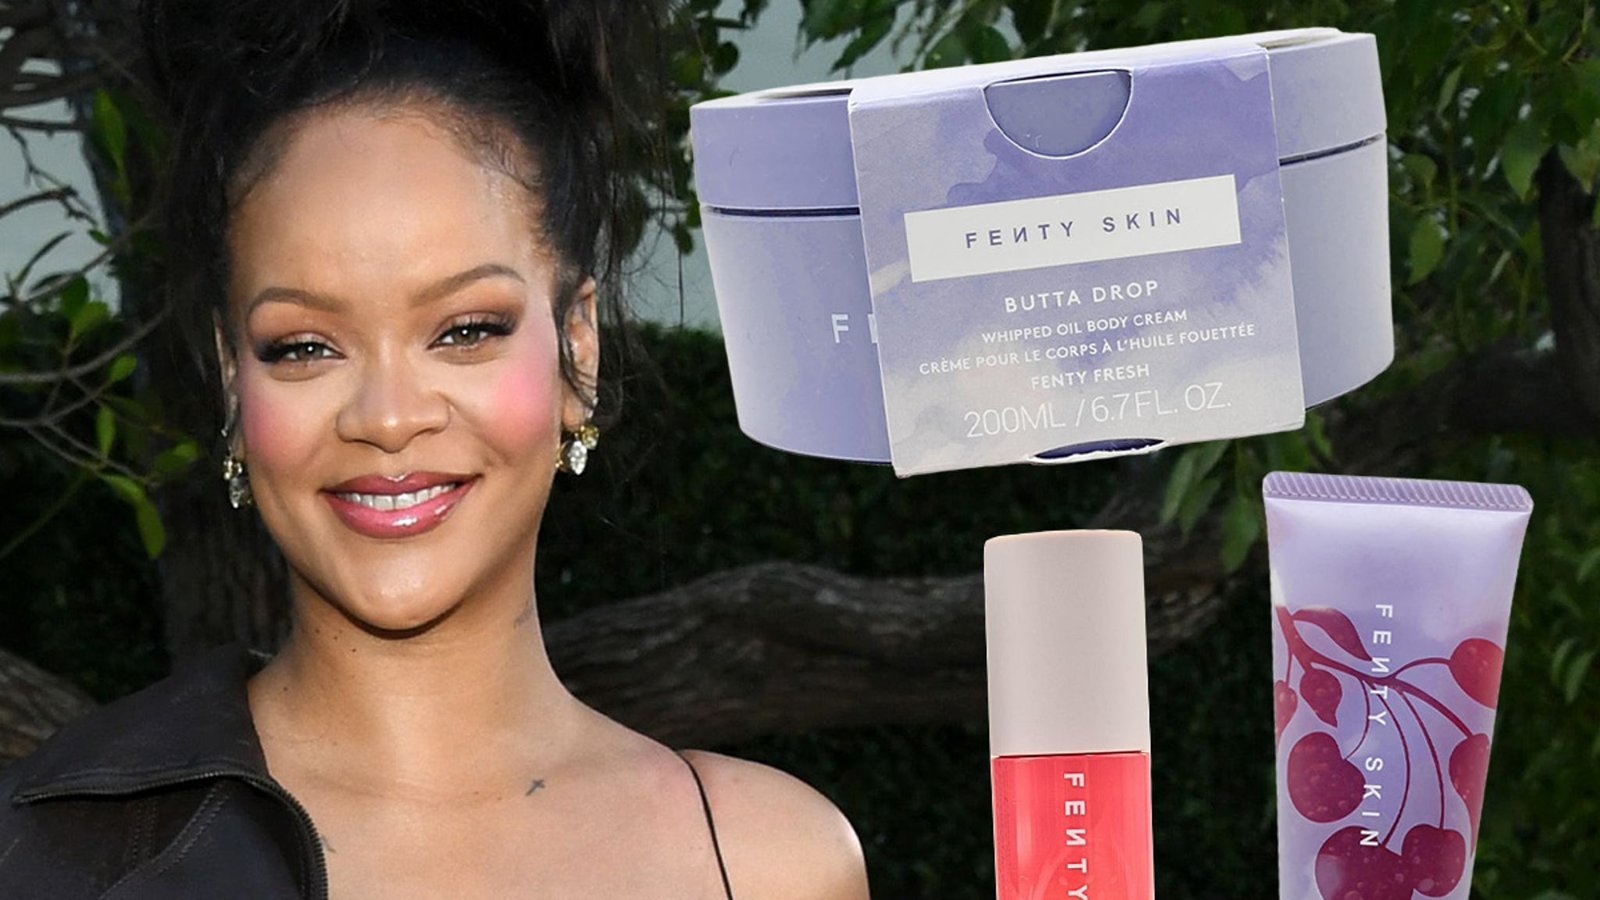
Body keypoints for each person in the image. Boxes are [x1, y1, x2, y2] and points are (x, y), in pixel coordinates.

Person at [0, 1, 870, 897]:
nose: (387, 417)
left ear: (578, 348)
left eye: (464, 330)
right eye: (305, 346)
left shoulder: (773, 862)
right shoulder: (43, 858)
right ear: (232, 380)